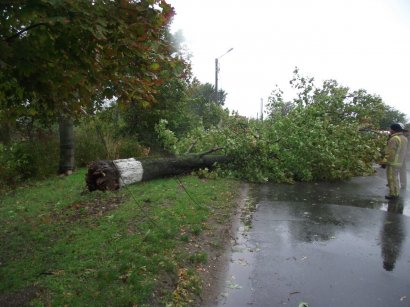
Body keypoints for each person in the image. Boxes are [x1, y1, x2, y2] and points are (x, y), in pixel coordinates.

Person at [381, 123, 408, 199]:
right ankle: (396, 193)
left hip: (392, 162)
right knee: (395, 178)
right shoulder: (404, 138)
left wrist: (384, 162)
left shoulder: (394, 139)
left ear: (393, 130)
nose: (389, 131)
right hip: (400, 162)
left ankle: (393, 194)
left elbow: (390, 152)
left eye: (390, 129)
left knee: (391, 178)